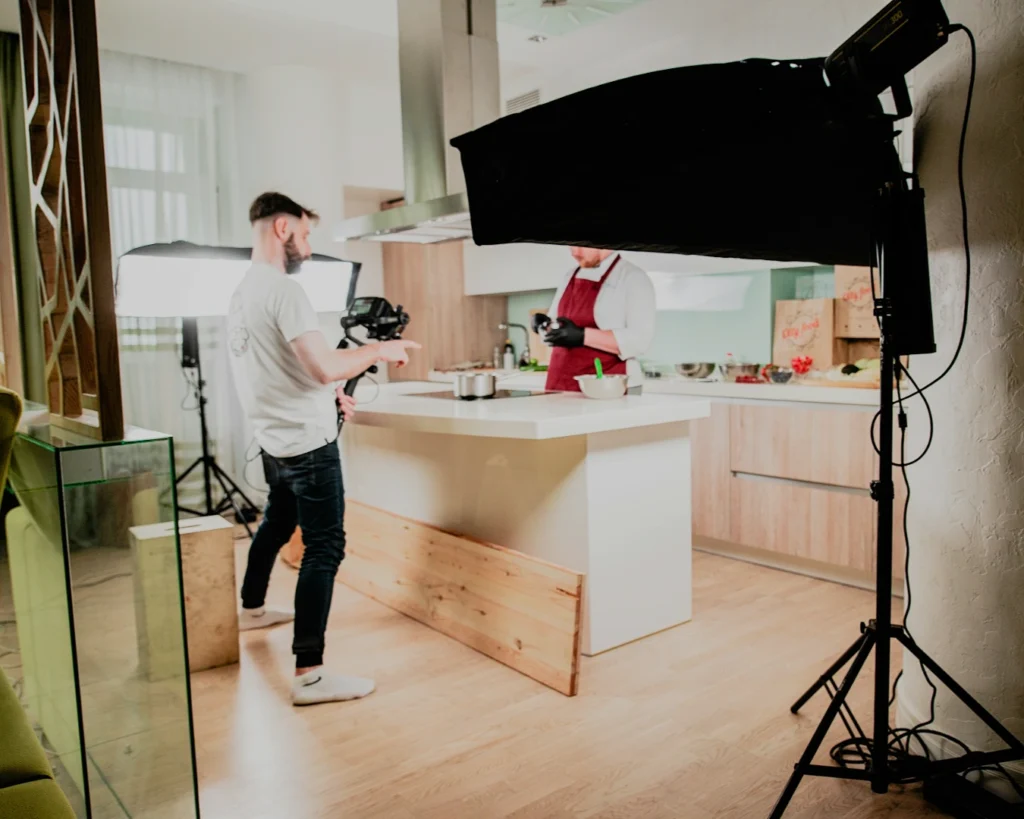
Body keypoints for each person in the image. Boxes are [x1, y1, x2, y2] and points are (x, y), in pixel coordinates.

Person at [226, 191, 420, 706]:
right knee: (324, 549)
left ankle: (250, 608)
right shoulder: (285, 291)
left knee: (275, 523)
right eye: (307, 234)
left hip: (274, 441)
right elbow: (324, 366)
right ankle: (310, 673)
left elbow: (281, 370)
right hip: (309, 448)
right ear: (283, 228)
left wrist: (326, 394)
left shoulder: (242, 293)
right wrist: (379, 348)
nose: (309, 247)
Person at [533, 247, 656, 393]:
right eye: (570, 245)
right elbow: (556, 322)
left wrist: (582, 336)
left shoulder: (633, 277)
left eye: (580, 245)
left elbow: (639, 341)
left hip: (606, 388)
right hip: (560, 382)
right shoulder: (570, 275)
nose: (574, 253)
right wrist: (542, 325)